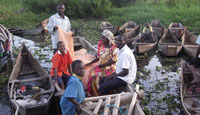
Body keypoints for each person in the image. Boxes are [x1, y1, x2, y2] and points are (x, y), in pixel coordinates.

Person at [85, 30, 118, 96]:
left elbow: (113, 60)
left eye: (103, 38)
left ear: (108, 39)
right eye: (101, 37)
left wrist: (103, 65)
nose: (101, 39)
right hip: (100, 64)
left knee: (97, 76)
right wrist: (90, 63)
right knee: (91, 75)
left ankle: (101, 92)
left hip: (109, 66)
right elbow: (98, 57)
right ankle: (95, 93)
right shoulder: (100, 44)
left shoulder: (114, 47)